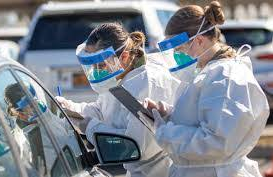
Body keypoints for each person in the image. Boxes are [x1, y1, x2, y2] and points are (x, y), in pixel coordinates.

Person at [144, 1, 270, 177]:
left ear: (199, 40)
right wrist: (168, 115)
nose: (176, 55)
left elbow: (215, 142)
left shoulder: (225, 77)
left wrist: (164, 132)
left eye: (179, 48)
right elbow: (202, 118)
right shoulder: (209, 72)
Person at [56, 23, 183, 177]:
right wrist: (68, 107)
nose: (97, 71)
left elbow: (135, 146)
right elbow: (103, 111)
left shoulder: (146, 83)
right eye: (92, 66)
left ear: (124, 56)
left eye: (101, 64)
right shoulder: (119, 76)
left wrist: (91, 128)